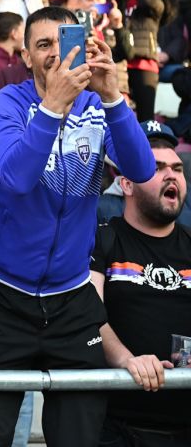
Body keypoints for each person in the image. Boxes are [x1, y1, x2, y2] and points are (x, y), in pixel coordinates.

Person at [0, 7, 156, 447]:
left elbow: (142, 170)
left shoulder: (98, 106)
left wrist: (113, 98)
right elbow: (17, 177)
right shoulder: (5, 104)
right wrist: (52, 106)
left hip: (71, 298)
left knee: (79, 436)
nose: (55, 53)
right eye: (43, 45)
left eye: (63, 42)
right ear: (26, 56)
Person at [91, 120, 191, 446]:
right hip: (119, 427)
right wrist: (127, 360)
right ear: (127, 184)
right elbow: (90, 315)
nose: (171, 175)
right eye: (157, 167)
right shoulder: (102, 239)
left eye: (177, 168)